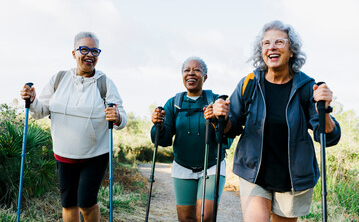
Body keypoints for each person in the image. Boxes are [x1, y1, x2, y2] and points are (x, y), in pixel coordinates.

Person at [211, 20, 341, 222]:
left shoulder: (307, 87)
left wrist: (324, 110)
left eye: (279, 42)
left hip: (293, 179)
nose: (272, 47)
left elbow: (328, 137)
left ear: (291, 51)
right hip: (254, 174)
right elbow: (230, 129)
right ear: (261, 51)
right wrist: (221, 117)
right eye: (266, 43)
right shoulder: (249, 83)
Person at [20, 31, 127, 222]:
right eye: (84, 49)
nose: (90, 55)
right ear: (73, 53)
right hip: (64, 153)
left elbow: (122, 118)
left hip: (95, 154)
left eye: (95, 51)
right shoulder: (59, 78)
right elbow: (40, 110)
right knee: (68, 203)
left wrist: (117, 117)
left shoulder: (104, 83)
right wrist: (32, 100)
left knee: (86, 202)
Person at [151, 57, 231, 221]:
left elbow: (226, 141)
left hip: (211, 166)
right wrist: (158, 124)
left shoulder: (216, 101)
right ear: (182, 76)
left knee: (205, 216)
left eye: (197, 70)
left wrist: (216, 120)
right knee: (185, 218)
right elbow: (163, 140)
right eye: (187, 70)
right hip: (183, 166)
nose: (191, 74)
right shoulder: (174, 103)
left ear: (205, 77)